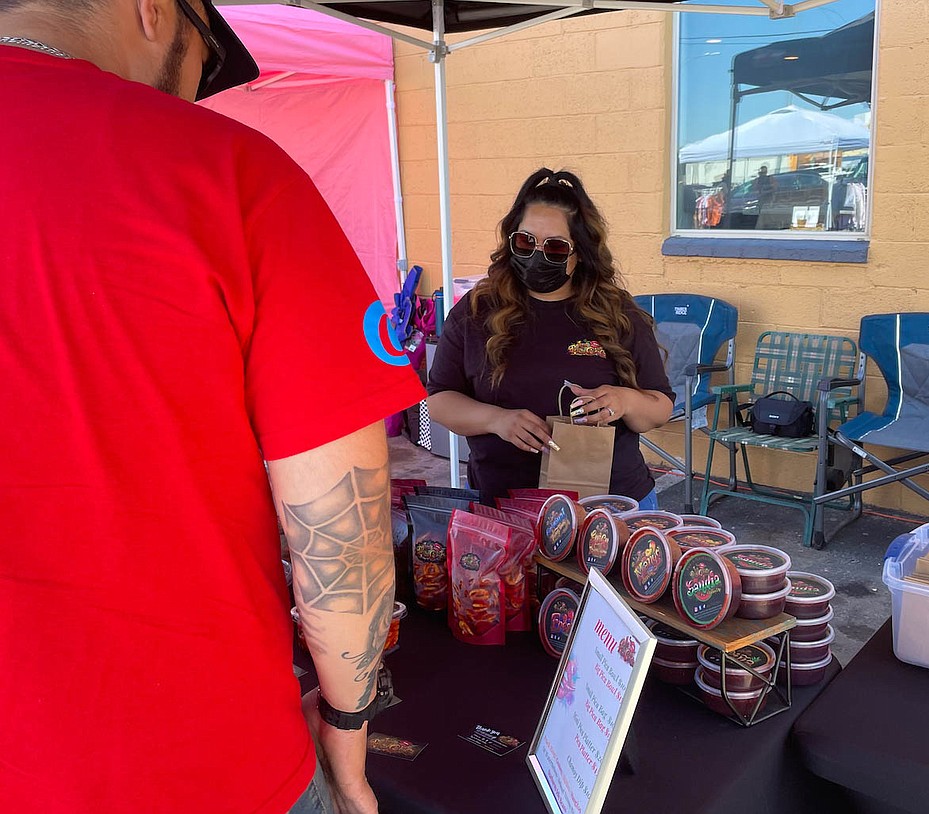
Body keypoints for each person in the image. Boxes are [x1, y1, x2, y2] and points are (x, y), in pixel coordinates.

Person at [0, 1, 425, 813]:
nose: (196, 98)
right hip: (208, 767)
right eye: (203, 69)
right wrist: (347, 718)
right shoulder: (230, 171)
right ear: (155, 12)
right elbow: (343, 537)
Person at [427, 168, 674, 507]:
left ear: (580, 254)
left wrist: (624, 401)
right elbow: (440, 400)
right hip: (507, 510)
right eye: (525, 241)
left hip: (609, 511)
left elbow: (660, 408)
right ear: (511, 240)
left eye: (555, 247)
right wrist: (497, 420)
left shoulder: (616, 313)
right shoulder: (475, 313)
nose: (536, 255)